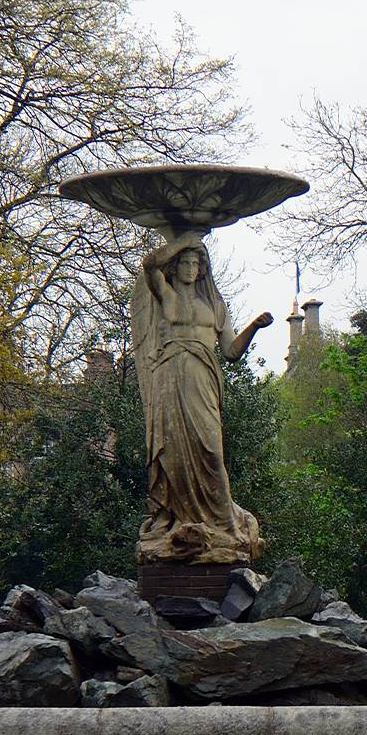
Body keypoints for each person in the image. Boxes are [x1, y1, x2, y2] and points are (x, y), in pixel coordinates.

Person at [131, 230, 272, 564]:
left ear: (203, 268)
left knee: (211, 449)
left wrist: (254, 326)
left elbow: (231, 351)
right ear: (177, 264)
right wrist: (186, 239)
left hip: (204, 377)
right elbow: (149, 264)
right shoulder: (164, 294)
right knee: (176, 454)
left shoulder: (215, 304)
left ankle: (224, 523)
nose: (191, 268)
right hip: (170, 379)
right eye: (186, 262)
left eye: (197, 263)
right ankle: (179, 523)